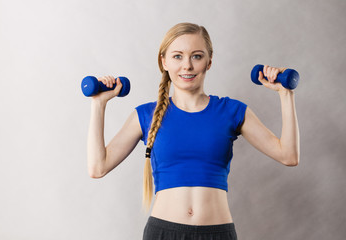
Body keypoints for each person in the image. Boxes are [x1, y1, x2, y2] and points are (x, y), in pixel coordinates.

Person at [87, 22, 300, 240]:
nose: (187, 65)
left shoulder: (231, 111)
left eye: (196, 56)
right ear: (164, 62)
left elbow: (288, 155)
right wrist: (98, 104)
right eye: (177, 56)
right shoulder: (146, 115)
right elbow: (98, 167)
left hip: (217, 233)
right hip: (163, 233)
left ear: (209, 62)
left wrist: (286, 94)